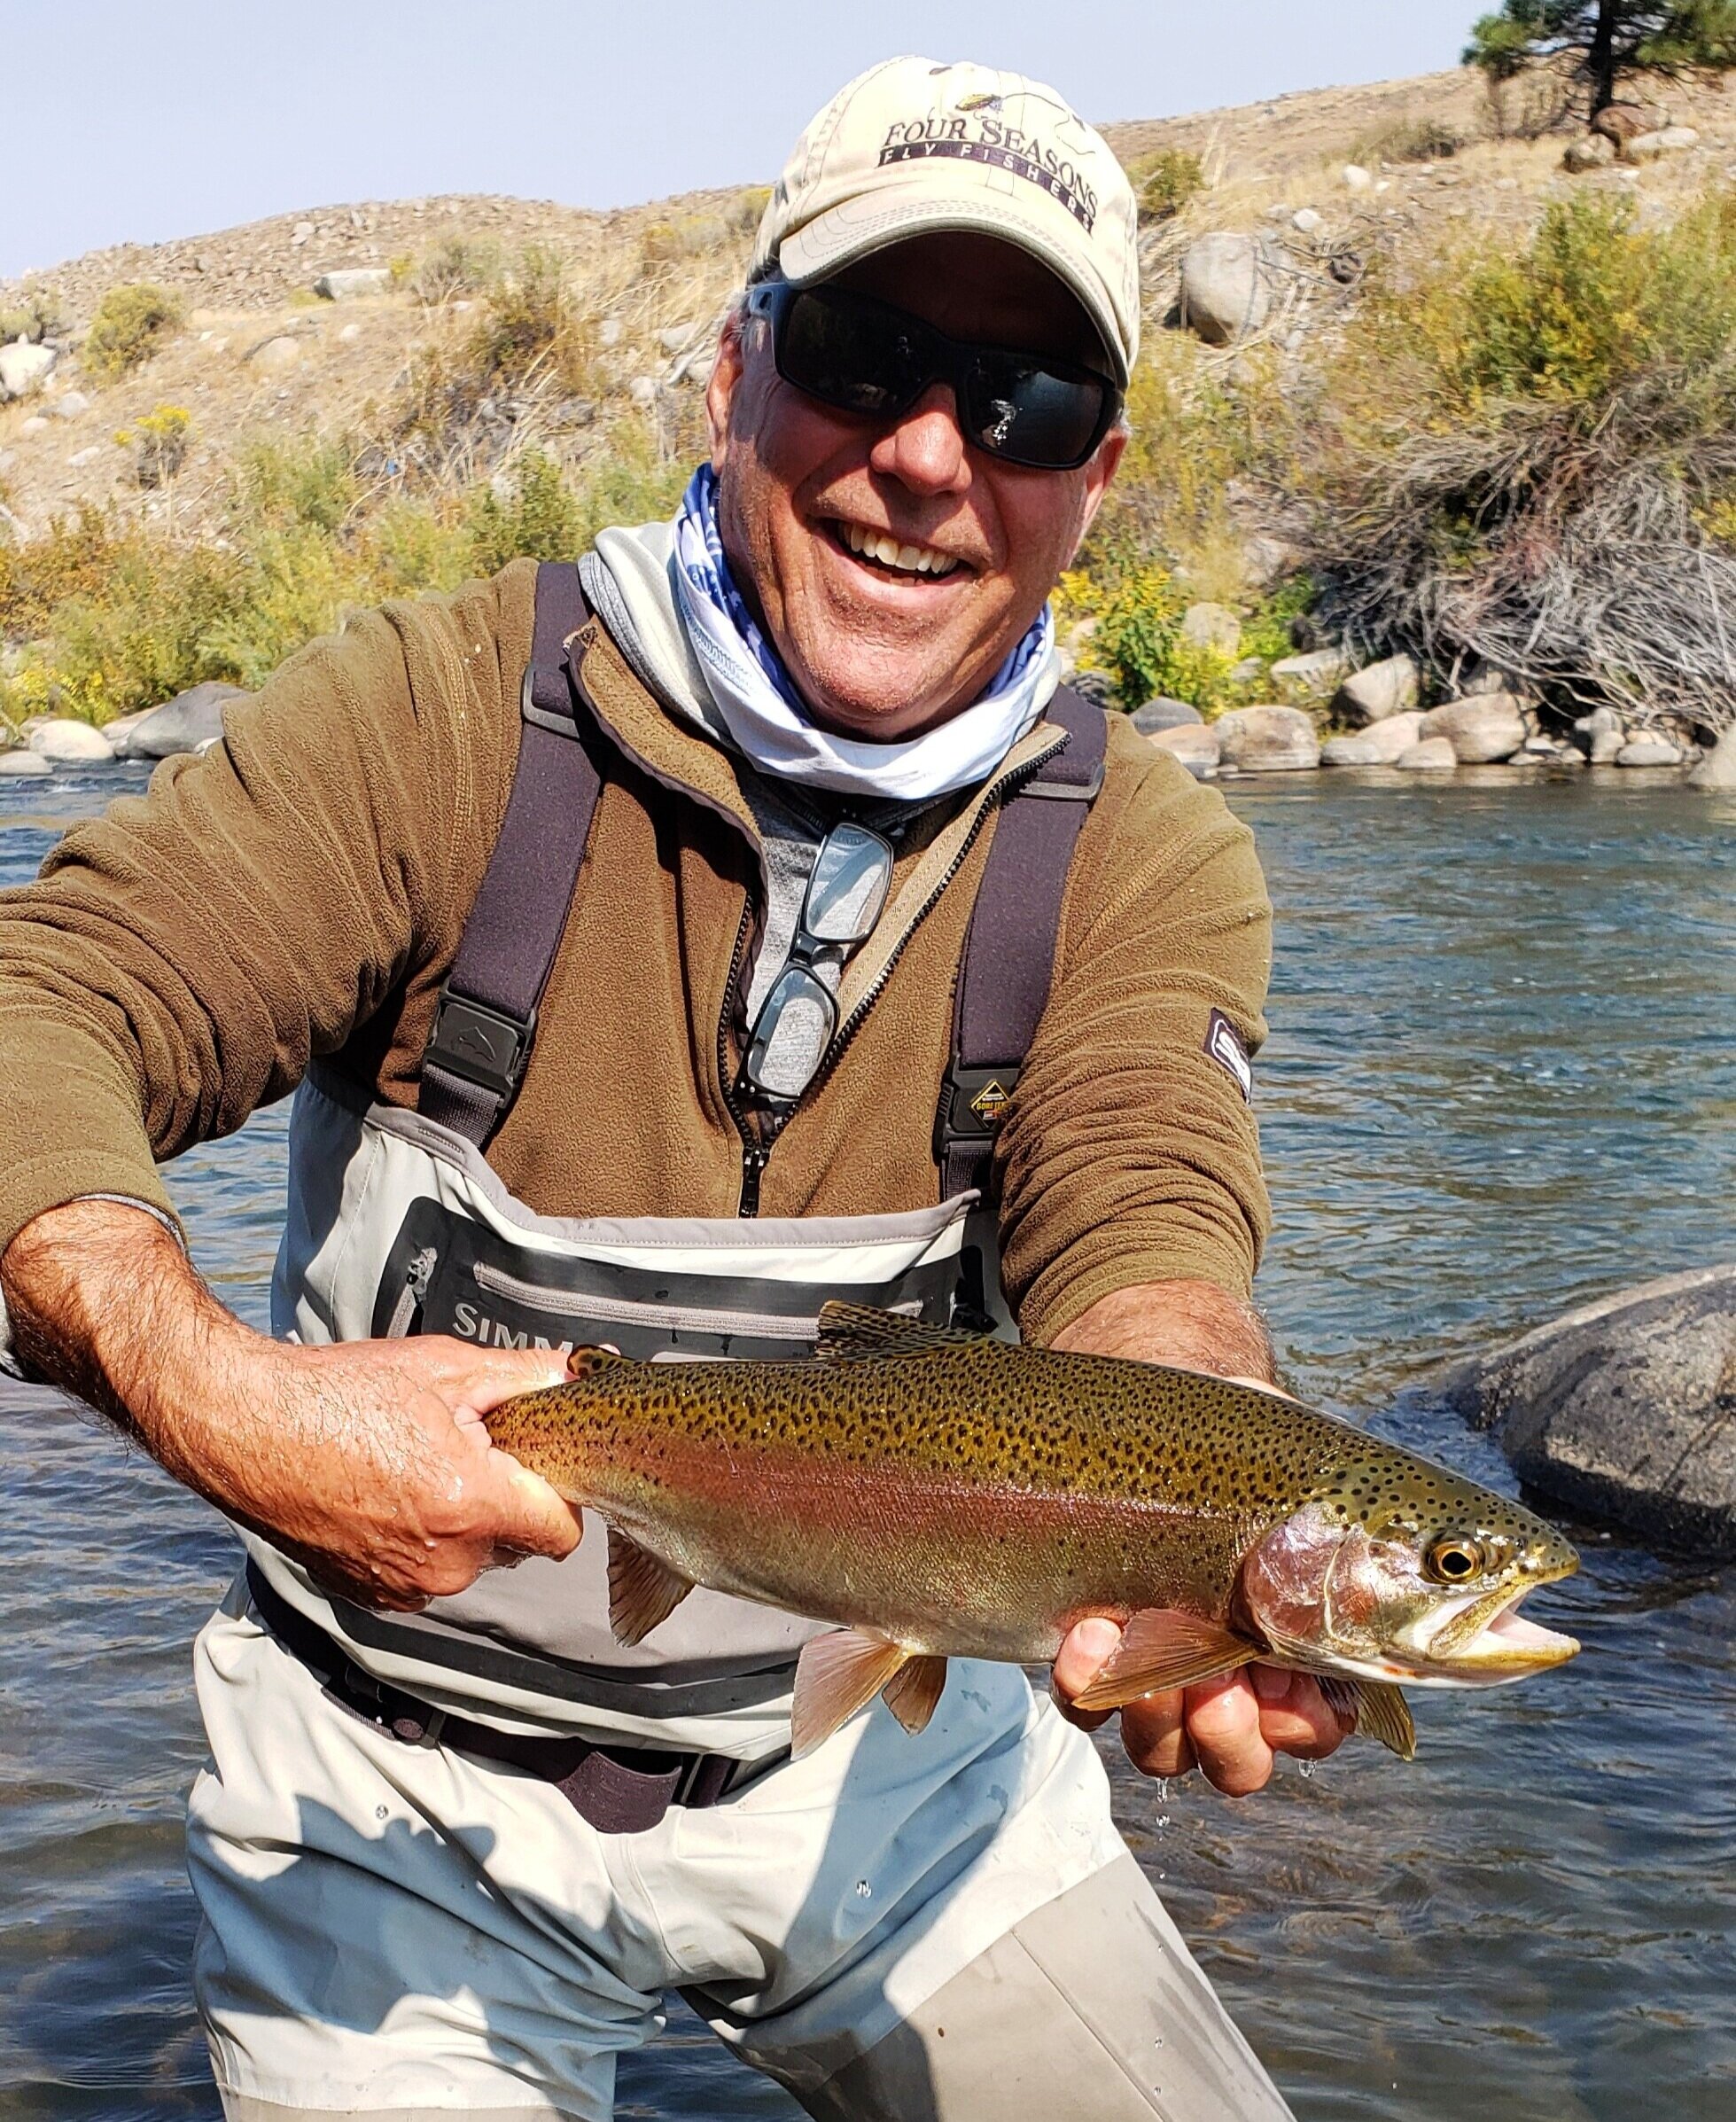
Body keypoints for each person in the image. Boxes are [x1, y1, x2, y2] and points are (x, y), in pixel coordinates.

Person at [0, 56, 1346, 2122]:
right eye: (861, 354)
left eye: (1022, 403)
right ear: (732, 375)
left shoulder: (1142, 855)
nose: (926, 458)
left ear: (1094, 477)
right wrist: (215, 1392)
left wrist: (1205, 1476)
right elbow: (44, 1002)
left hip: (899, 1797)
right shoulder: (447, 716)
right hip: (399, 1795)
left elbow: (1142, 1203)